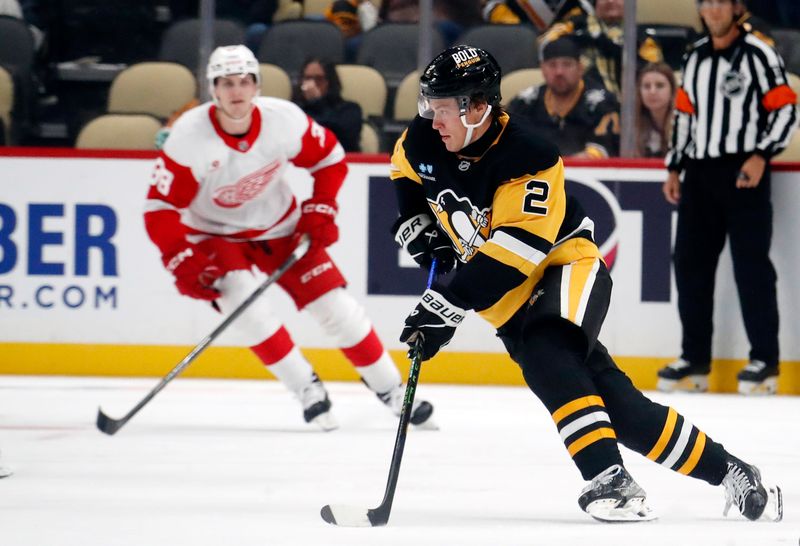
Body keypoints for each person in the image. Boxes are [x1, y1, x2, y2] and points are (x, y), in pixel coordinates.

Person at [389, 43, 783, 522]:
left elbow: (513, 256)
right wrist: (419, 230)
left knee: (544, 350)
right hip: (507, 302)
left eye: (444, 108)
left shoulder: (530, 157)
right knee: (622, 411)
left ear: (478, 107)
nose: (433, 120)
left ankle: (609, 480)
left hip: (565, 266)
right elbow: (406, 175)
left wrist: (445, 306)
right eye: (428, 106)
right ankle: (732, 471)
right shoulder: (424, 137)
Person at [144, 45, 434, 431]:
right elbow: (159, 209)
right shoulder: (188, 137)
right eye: (226, 83)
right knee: (247, 312)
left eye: (245, 81)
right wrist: (180, 258)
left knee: (336, 308)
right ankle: (307, 389)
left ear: (257, 85)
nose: (237, 92)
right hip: (214, 236)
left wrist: (321, 206)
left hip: (281, 228)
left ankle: (393, 389)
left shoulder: (283, 120)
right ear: (213, 89)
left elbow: (329, 158)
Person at [658, 0, 798, 396]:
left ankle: (765, 361)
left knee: (751, 266)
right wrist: (674, 166)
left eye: (721, 2)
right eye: (707, 3)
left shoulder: (759, 53)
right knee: (689, 263)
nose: (714, 10)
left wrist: (761, 155)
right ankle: (694, 358)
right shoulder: (696, 57)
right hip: (699, 174)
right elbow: (685, 117)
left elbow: (786, 111)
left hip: (743, 172)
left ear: (736, 8)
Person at [507, 37, 620, 158]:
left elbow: (601, 151)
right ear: (543, 69)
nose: (559, 72)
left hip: (583, 175)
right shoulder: (525, 102)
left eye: (567, 64)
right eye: (552, 65)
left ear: (580, 68)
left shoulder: (603, 103)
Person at [538, 0, 664, 96]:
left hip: (626, 109)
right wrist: (580, 39)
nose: (610, 1)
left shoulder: (641, 37)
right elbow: (546, 44)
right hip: (577, 104)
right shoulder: (575, 24)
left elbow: (655, 73)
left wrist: (617, 52)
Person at [292, 57, 363, 153]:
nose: (312, 84)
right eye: (308, 78)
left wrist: (317, 101)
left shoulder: (350, 109)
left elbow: (338, 132)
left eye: (319, 79)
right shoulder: (294, 110)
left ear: (330, 81)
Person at [634, 62, 676, 158]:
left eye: (660, 85)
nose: (652, 92)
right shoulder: (631, 128)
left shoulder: (685, 126)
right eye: (646, 86)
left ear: (672, 91)